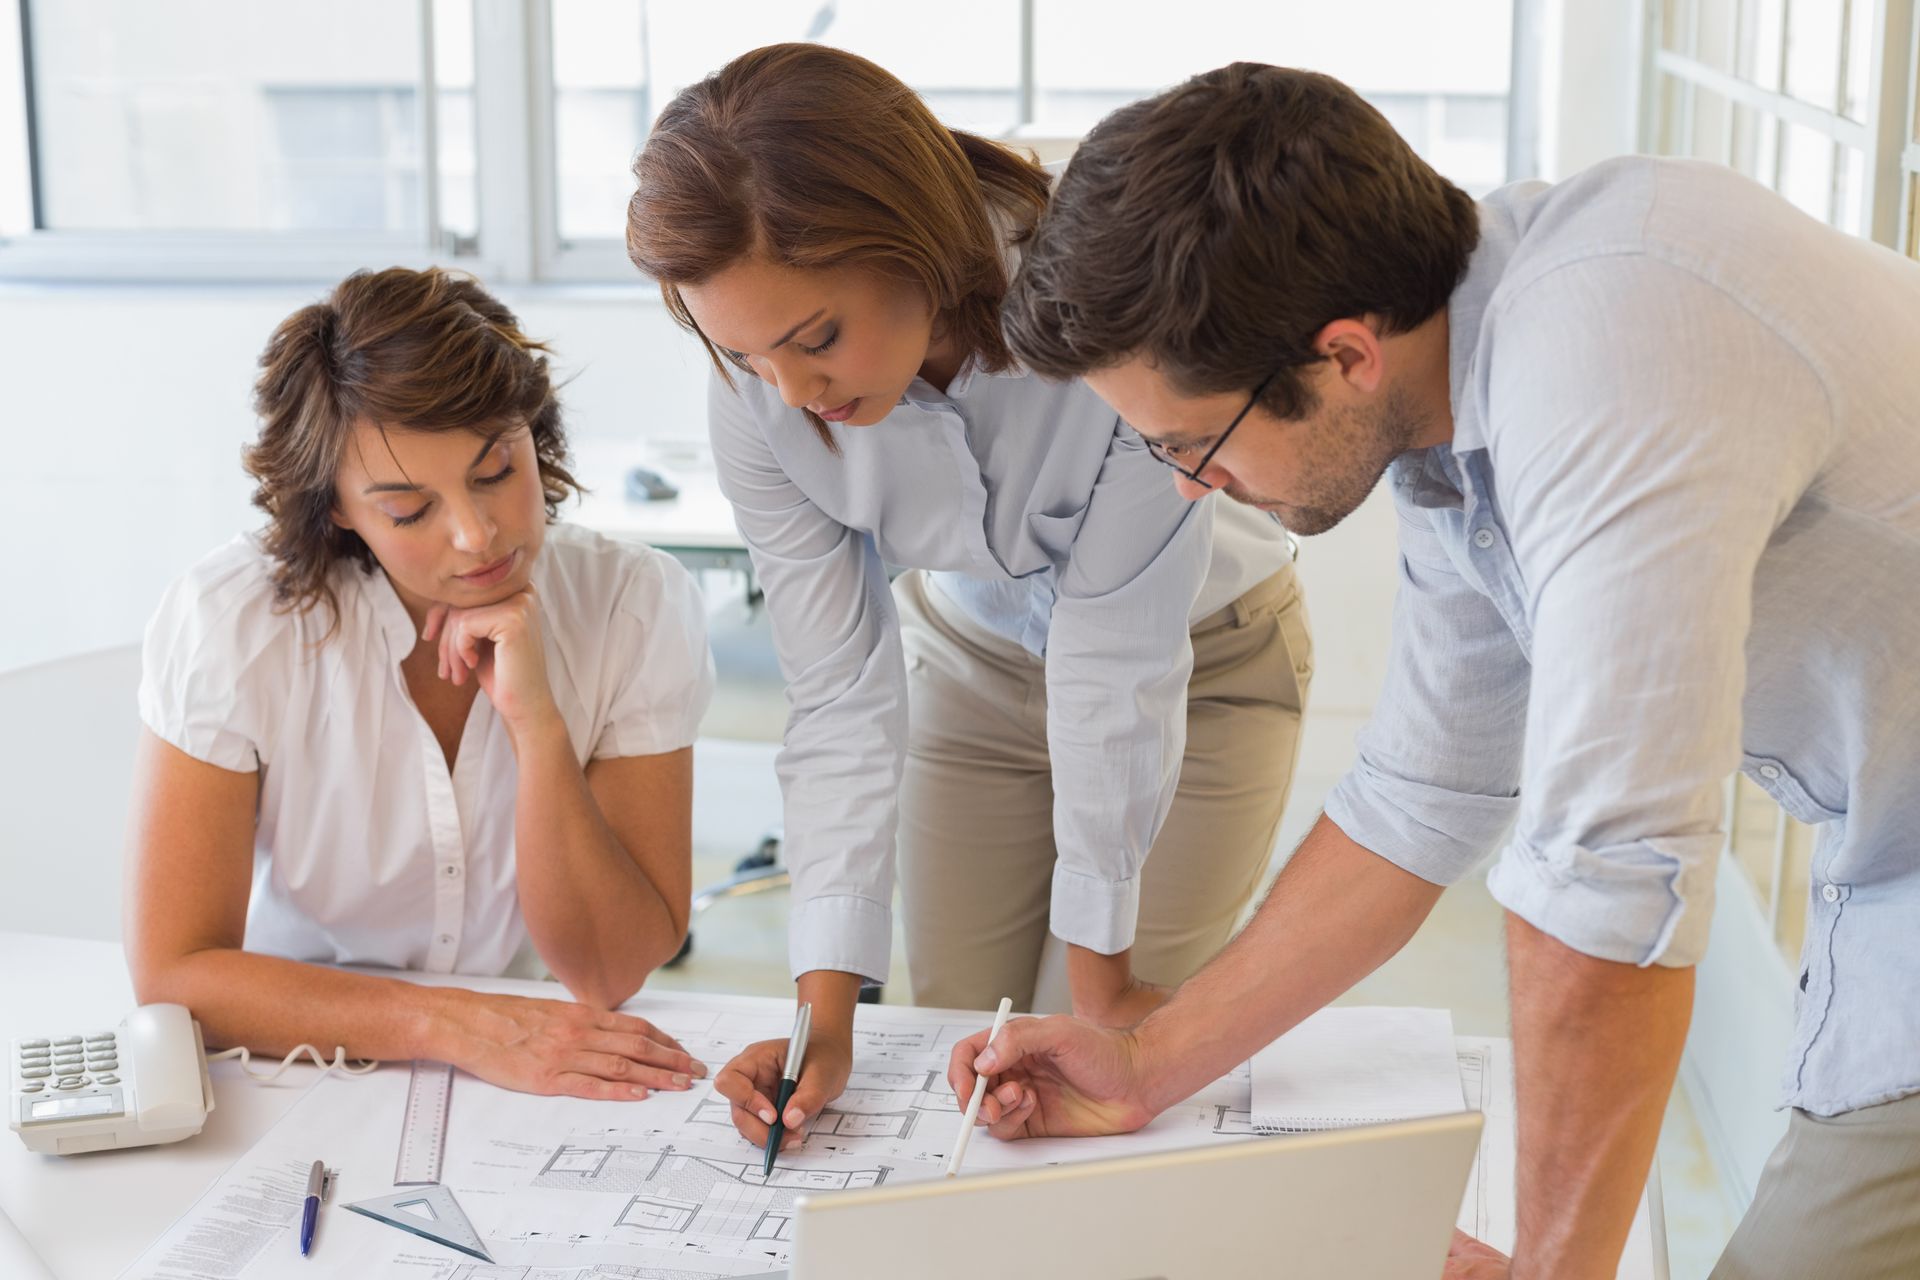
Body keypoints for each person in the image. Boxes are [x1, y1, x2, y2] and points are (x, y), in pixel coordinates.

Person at [944, 63, 1920, 1280]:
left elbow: (1608, 882)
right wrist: (1148, 1061)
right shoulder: (1452, 411)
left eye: (1196, 442)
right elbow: (1423, 792)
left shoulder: (1616, 353)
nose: (1194, 487)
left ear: (1343, 352)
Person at [625, 43, 1311, 1155]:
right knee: (957, 1043)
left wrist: (1106, 997)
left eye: (815, 338)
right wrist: (823, 1025)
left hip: (1204, 661)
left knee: (1100, 1070)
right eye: (746, 356)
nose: (793, 395)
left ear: (913, 241)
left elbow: (1117, 660)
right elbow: (840, 689)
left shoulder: (1106, 289)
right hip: (979, 657)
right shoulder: (758, 396)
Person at [125, 267, 718, 1101]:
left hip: (519, 1053)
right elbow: (176, 974)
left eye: (496, 471)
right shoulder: (232, 621)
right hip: (295, 1049)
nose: (478, 536)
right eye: (409, 510)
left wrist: (538, 727)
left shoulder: (632, 604)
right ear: (336, 508)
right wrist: (441, 1023)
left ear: (533, 434)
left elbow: (608, 970)